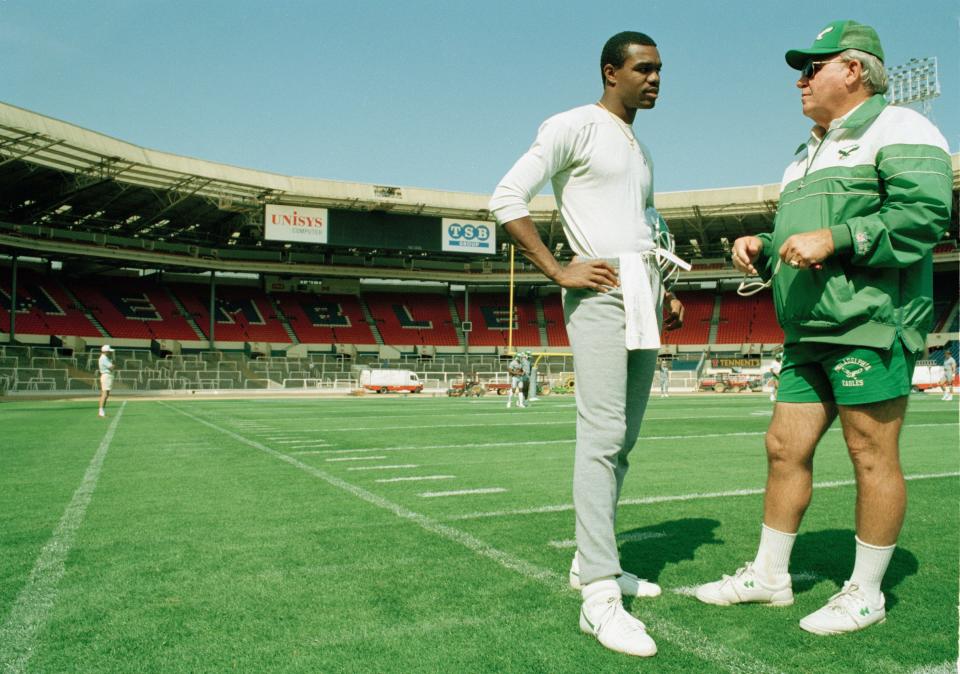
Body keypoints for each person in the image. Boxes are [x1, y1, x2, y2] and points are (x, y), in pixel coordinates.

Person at [696, 20, 953, 636]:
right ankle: (770, 575)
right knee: (784, 448)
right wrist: (764, 240)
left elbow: (922, 216)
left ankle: (866, 593)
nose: (801, 80)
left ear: (855, 70)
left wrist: (834, 238)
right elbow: (800, 236)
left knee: (870, 453)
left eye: (813, 67)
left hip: (869, 321)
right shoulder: (803, 152)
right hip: (809, 327)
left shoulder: (903, 127)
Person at [490, 31, 684, 657]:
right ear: (611, 71)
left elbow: (644, 220)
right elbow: (505, 197)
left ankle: (588, 560)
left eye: (659, 70)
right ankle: (599, 594)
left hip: (643, 293)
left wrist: (668, 282)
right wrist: (558, 269)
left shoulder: (640, 144)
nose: (655, 79)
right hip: (598, 289)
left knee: (623, 440)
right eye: (643, 69)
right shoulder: (573, 124)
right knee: (601, 436)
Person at [98, 344, 115, 417]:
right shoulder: (103, 358)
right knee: (105, 394)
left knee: (106, 394)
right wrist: (113, 364)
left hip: (107, 376)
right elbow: (111, 367)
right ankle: (101, 412)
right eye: (109, 351)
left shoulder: (105, 358)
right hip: (106, 376)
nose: (110, 352)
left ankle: (102, 412)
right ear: (105, 351)